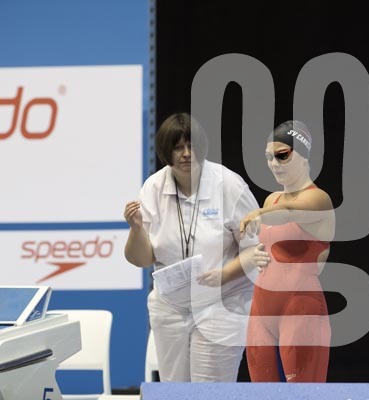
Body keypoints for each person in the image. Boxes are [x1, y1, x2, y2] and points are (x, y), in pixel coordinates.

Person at [123, 112, 260, 382]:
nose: (186, 154)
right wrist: (136, 229)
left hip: (221, 301)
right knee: (173, 391)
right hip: (171, 305)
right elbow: (141, 259)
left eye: (191, 146)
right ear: (166, 152)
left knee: (209, 392)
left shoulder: (228, 185)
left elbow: (256, 249)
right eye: (178, 147)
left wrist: (225, 274)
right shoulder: (153, 187)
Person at [201, 120, 335, 382]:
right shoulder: (271, 199)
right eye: (269, 157)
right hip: (261, 309)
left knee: (304, 397)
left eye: (282, 155)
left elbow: (289, 213)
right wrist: (245, 261)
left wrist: (258, 215)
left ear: (304, 156)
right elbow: (267, 246)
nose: (274, 163)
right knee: (262, 394)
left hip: (301, 308)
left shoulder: (318, 198)